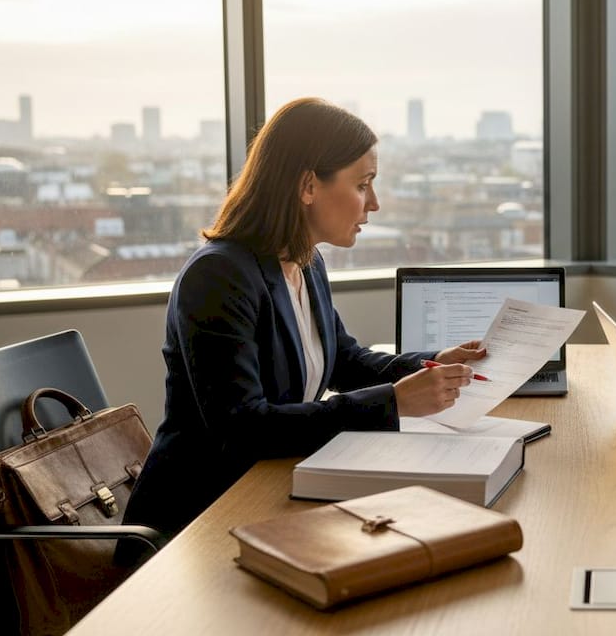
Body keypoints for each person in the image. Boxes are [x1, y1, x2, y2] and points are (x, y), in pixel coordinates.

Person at [122, 97, 486, 543]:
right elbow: (244, 428)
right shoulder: (218, 276)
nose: (374, 203)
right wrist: (392, 402)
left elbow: (343, 361)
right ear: (308, 186)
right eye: (363, 184)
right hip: (198, 519)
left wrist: (430, 365)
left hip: (269, 490)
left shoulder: (305, 262)